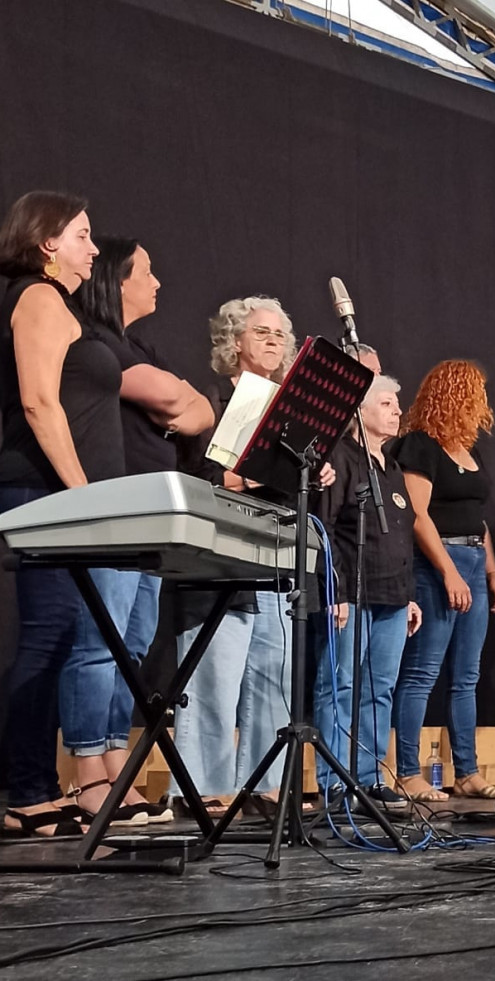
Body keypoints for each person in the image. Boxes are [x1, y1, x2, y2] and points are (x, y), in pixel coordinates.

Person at [59, 237, 213, 825]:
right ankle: (87, 774)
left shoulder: (137, 345)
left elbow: (199, 410)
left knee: (135, 644)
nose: (157, 283)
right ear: (118, 281)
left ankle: (116, 763)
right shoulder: (94, 342)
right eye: (146, 273)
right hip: (114, 504)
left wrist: (182, 406)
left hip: (154, 513)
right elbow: (177, 399)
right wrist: (177, 406)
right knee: (99, 644)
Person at [168, 296, 331, 814]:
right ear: (233, 341)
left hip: (276, 551)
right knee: (214, 677)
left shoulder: (288, 413)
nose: (273, 341)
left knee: (273, 676)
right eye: (260, 332)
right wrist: (238, 477)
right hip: (218, 554)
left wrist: (315, 473)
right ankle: (201, 790)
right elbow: (188, 478)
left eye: (280, 334)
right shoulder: (211, 401)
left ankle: (261, 787)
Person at [0, 191, 122, 837]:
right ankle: (26, 790)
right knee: (48, 636)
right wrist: (82, 496)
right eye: (82, 234)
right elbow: (40, 403)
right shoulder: (38, 298)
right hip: (45, 494)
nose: (93, 249)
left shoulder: (56, 301)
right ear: (47, 241)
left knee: (62, 636)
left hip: (58, 494)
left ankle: (34, 786)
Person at [391, 360, 495, 802]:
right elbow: (418, 516)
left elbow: (479, 521)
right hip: (439, 562)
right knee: (423, 671)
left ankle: (467, 771)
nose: (483, 403)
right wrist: (448, 572)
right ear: (457, 395)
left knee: (467, 675)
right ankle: (408, 771)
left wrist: (492, 572)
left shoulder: (469, 450)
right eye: (476, 393)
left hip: (474, 562)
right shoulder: (420, 445)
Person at [314, 375, 422, 810]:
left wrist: (409, 594)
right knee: (339, 686)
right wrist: (334, 590)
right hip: (351, 594)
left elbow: (400, 534)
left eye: (397, 403)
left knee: (380, 690)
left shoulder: (391, 467)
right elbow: (324, 527)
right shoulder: (341, 458)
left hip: (392, 597)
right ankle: (335, 782)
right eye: (387, 403)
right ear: (359, 410)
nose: (398, 411)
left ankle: (368, 776)